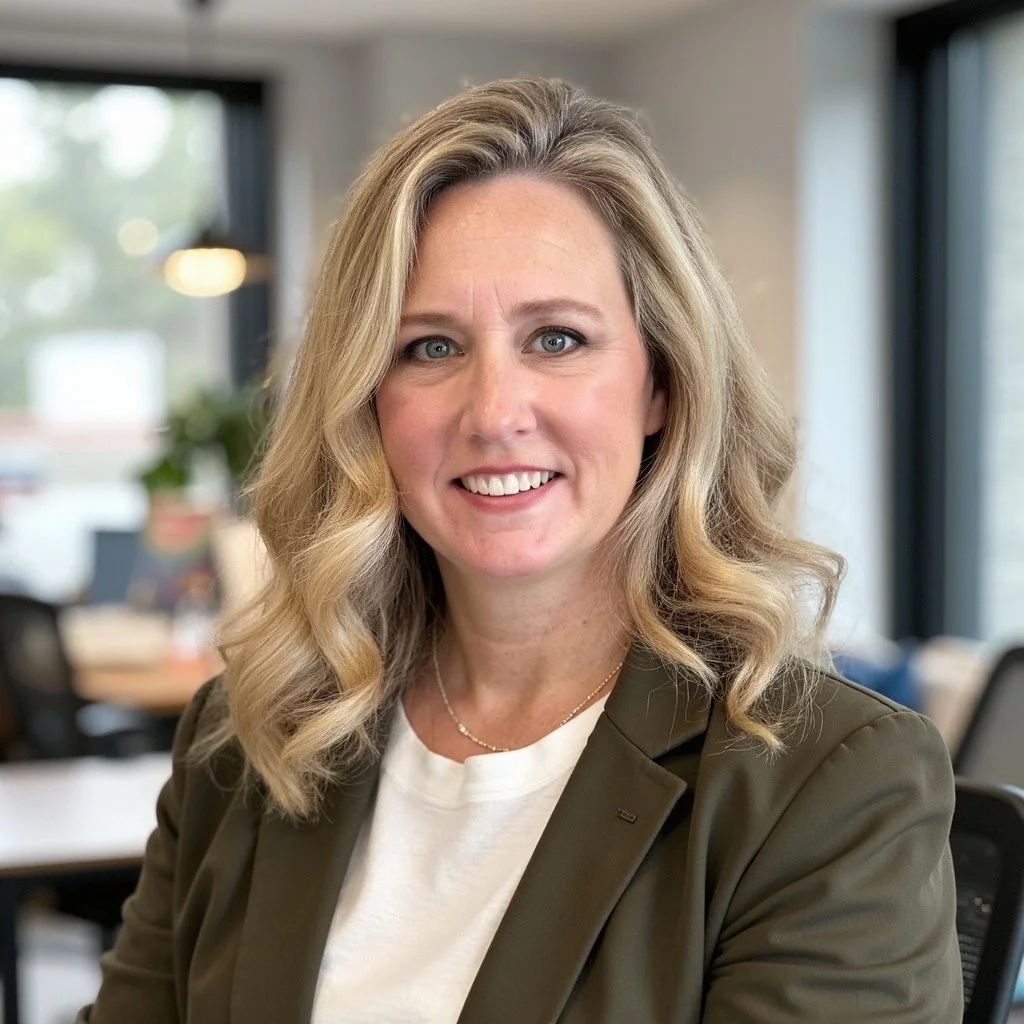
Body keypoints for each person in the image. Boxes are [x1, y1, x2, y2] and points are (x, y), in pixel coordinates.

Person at [79, 78, 961, 1023]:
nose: (495, 412)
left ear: (660, 382)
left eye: (556, 338)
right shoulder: (253, 738)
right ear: (366, 401)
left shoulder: (827, 782)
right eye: (429, 348)